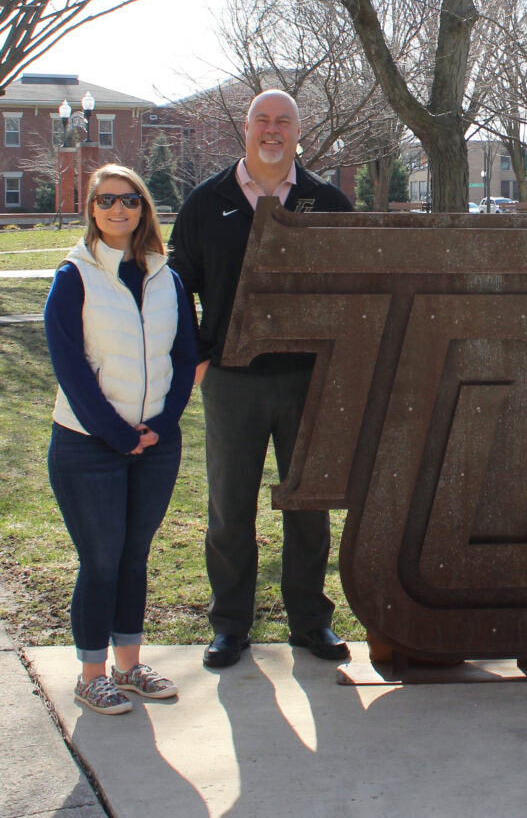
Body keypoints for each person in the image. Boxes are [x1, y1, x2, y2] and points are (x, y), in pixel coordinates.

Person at [169, 89, 355, 668]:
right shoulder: (207, 202)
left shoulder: (328, 202)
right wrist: (199, 357)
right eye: (263, 120)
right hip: (231, 379)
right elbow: (178, 285)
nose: (272, 130)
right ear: (247, 128)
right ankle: (229, 625)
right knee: (230, 508)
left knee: (308, 505)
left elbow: (356, 289)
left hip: (307, 380)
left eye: (284, 122)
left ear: (298, 132)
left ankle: (310, 622)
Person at [45, 164, 196, 714]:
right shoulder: (75, 275)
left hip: (155, 444)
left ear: (143, 209)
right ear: (91, 208)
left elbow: (185, 355)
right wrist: (114, 432)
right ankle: (91, 675)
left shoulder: (165, 276)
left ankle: (128, 667)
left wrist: (164, 424)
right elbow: (69, 365)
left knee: (135, 556)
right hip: (88, 445)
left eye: (129, 200)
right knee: (101, 558)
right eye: (106, 200)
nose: (118, 209)